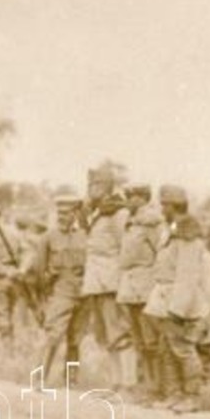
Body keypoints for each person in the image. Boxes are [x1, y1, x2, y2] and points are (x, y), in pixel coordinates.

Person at [146, 185, 210, 414]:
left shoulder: (187, 236)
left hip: (178, 301)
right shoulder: (173, 230)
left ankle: (192, 396)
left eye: (164, 205)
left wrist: (178, 308)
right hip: (164, 297)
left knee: (183, 349)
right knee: (166, 348)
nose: (161, 210)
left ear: (172, 206)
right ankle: (174, 394)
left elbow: (187, 276)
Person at [79, 170, 136, 390]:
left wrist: (121, 279)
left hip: (111, 281)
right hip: (96, 281)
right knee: (104, 334)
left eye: (96, 185)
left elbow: (126, 249)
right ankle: (116, 381)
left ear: (107, 187)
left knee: (119, 331)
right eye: (90, 184)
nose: (91, 189)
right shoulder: (96, 213)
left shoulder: (117, 214)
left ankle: (129, 381)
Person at [116, 184, 166, 399]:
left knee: (150, 339)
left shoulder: (151, 222)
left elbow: (160, 253)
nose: (127, 200)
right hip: (131, 285)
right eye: (127, 196)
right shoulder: (131, 222)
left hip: (146, 284)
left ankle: (156, 387)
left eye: (131, 196)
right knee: (138, 339)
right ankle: (145, 384)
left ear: (143, 198)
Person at [38, 194, 89, 385]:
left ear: (76, 213)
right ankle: (39, 377)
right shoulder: (48, 237)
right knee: (53, 336)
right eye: (59, 212)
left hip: (83, 294)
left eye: (66, 213)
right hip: (59, 292)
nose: (62, 216)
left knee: (76, 339)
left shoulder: (85, 235)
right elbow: (39, 270)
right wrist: (44, 298)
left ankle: (70, 380)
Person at [0, 200, 37, 343]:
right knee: (13, 310)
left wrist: (6, 271)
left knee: (1, 311)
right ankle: (17, 341)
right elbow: (29, 252)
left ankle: (7, 347)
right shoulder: (14, 231)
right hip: (17, 277)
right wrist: (22, 269)